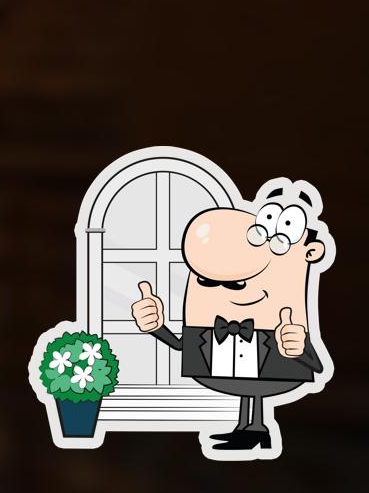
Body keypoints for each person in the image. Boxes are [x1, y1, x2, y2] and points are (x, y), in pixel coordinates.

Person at [130, 178, 330, 456]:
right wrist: (155, 326)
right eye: (207, 282)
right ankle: (249, 429)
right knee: (249, 390)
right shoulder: (208, 328)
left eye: (236, 283)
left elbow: (316, 365)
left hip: (307, 430)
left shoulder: (287, 321)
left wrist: (297, 349)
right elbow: (180, 345)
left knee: (256, 388)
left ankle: (256, 429)